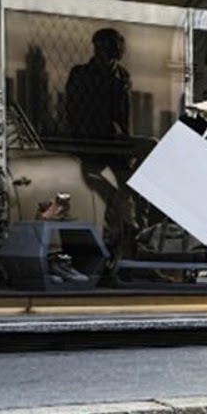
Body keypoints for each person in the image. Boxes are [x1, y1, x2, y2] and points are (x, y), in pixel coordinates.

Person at [64, 27, 136, 257]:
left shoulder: (121, 75)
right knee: (106, 197)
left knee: (125, 197)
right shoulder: (81, 74)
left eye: (118, 45)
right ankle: (113, 244)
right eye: (111, 45)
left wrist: (125, 141)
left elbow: (124, 114)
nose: (117, 50)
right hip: (91, 144)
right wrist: (81, 141)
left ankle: (126, 245)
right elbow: (74, 112)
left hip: (114, 145)